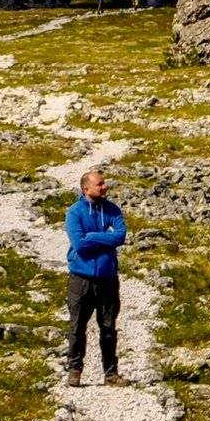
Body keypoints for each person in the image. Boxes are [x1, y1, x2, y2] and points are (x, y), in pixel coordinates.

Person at [62, 166, 126, 387]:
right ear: (86, 188)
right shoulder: (74, 212)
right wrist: (104, 237)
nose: (104, 186)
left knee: (108, 327)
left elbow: (120, 236)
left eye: (104, 182)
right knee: (77, 327)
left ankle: (111, 373)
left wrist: (92, 236)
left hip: (108, 278)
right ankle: (75, 370)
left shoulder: (112, 210)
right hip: (81, 278)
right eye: (100, 184)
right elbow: (79, 244)